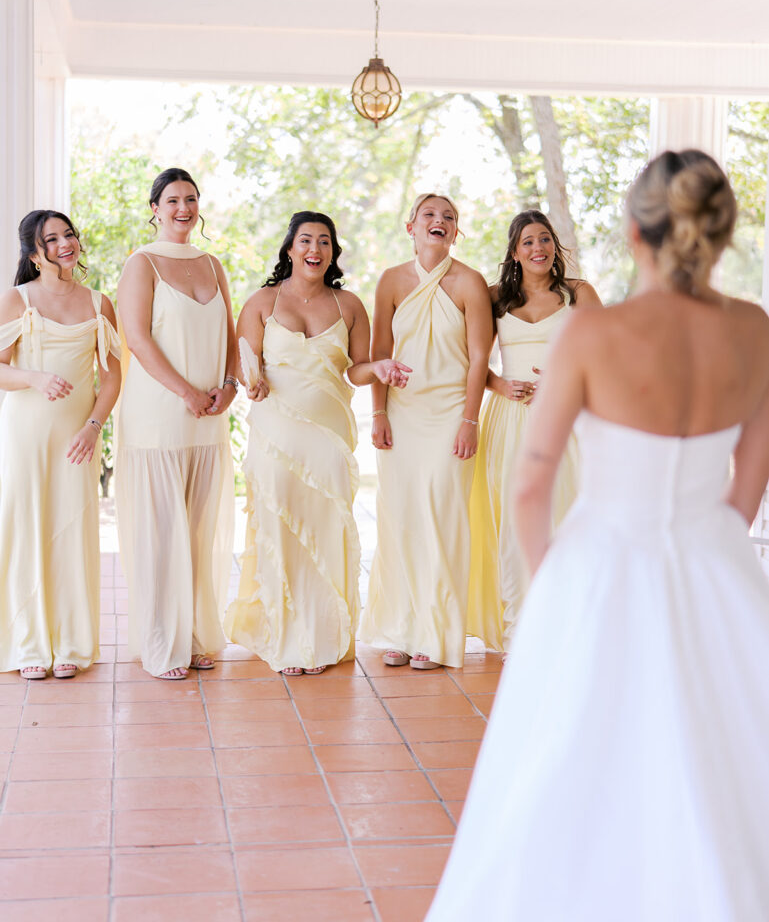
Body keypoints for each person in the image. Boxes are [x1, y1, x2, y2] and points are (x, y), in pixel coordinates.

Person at [426, 150, 769, 921]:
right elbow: (750, 476)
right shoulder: (754, 329)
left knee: (568, 760)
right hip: (716, 557)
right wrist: (704, 550)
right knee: (726, 753)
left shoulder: (593, 332)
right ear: (721, 231)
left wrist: (555, 586)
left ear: (632, 230)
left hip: (602, 562)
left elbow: (530, 482)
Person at [225, 211, 410, 675]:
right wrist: (253, 381)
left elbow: (356, 369)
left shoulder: (348, 305)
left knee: (325, 531)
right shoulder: (261, 302)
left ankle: (324, 635)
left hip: (328, 436)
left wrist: (381, 370)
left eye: (324, 241)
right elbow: (247, 364)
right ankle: (286, 639)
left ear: (333, 252)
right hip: (275, 435)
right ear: (290, 248)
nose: (315, 249)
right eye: (306, 240)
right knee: (280, 532)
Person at [358, 193, 493, 669]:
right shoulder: (392, 280)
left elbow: (480, 357)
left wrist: (470, 420)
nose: (440, 221)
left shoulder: (470, 282)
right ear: (411, 225)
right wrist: (378, 413)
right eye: (430, 215)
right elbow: (379, 348)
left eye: (449, 217)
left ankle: (435, 635)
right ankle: (399, 627)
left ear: (456, 231)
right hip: (402, 414)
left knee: (441, 517)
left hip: (451, 413)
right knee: (400, 518)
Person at [116, 168, 236, 680]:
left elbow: (231, 335)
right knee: (162, 532)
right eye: (172, 200)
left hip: (208, 418)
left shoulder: (213, 264)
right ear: (155, 208)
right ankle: (162, 643)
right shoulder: (140, 264)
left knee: (198, 528)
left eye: (190, 199)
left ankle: (193, 634)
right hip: (160, 415)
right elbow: (137, 340)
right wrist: (186, 391)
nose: (183, 208)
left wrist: (229, 386)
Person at [467, 210, 601, 652]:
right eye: (528, 242)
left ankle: (570, 623)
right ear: (514, 251)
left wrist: (566, 382)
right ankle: (521, 628)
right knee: (513, 518)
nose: (538, 248)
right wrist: (501, 383)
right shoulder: (492, 297)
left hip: (565, 420)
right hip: (509, 418)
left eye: (544, 239)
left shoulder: (578, 294)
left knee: (566, 514)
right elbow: (472, 363)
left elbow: (606, 357)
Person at [0, 210, 121, 679]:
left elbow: (111, 380)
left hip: (78, 438)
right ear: (34, 252)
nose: (65, 243)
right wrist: (33, 377)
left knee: (73, 529)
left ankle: (71, 641)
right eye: (51, 239)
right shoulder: (16, 300)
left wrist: (93, 427)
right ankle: (29, 645)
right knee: (27, 526)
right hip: (27, 432)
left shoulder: (98, 304)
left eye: (68, 234)